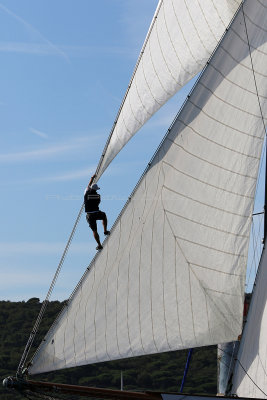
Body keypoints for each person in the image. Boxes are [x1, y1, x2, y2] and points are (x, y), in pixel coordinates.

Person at [84, 174, 110, 250]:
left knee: (94, 230)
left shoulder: (86, 192)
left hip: (89, 215)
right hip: (96, 213)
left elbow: (88, 185)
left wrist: (92, 178)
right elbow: (98, 203)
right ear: (96, 190)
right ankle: (105, 231)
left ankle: (99, 245)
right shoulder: (98, 196)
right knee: (104, 215)